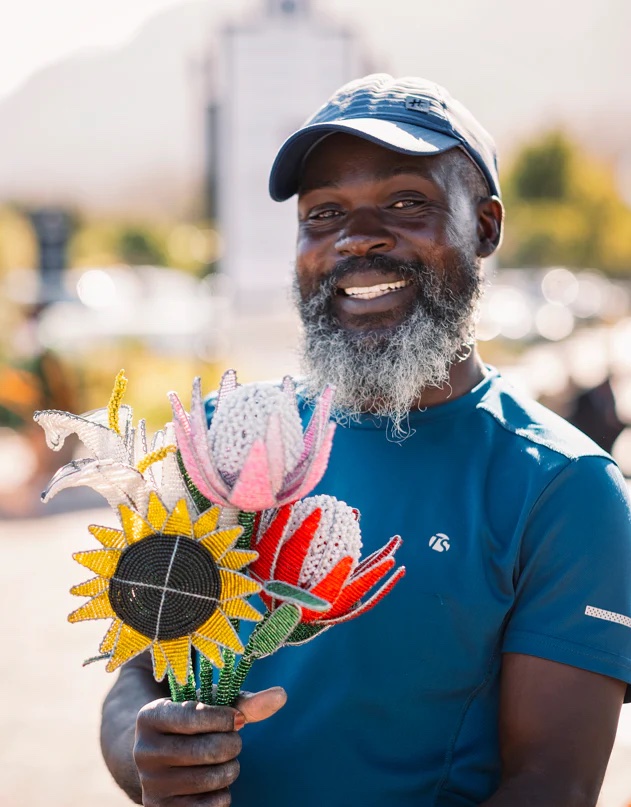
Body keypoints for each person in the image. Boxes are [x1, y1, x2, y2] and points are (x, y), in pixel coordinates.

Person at [100, 74, 631, 807]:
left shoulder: (565, 487)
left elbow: (550, 784)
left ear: (483, 226)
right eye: (322, 213)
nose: (356, 236)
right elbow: (139, 675)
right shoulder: (225, 441)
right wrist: (147, 747)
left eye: (406, 202)